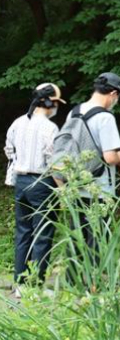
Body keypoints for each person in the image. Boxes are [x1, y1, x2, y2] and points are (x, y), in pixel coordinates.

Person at [4, 83, 66, 297]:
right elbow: (55, 163)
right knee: (43, 234)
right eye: (56, 103)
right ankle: (36, 286)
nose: (56, 107)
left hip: (20, 182)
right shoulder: (50, 128)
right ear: (48, 102)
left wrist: (20, 160)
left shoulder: (17, 123)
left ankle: (21, 284)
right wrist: (64, 190)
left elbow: (8, 150)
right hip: (42, 182)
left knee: (23, 233)